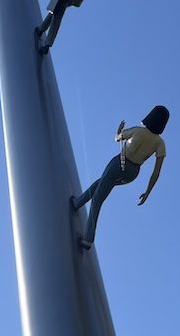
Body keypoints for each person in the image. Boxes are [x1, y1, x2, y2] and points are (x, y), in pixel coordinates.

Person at [72, 106, 170, 251]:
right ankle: (78, 202)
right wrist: (148, 191)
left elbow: (118, 138)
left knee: (98, 198)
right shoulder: (160, 143)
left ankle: (88, 239)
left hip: (119, 163)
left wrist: (118, 131)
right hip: (133, 173)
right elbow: (156, 171)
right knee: (101, 184)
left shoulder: (138, 130)